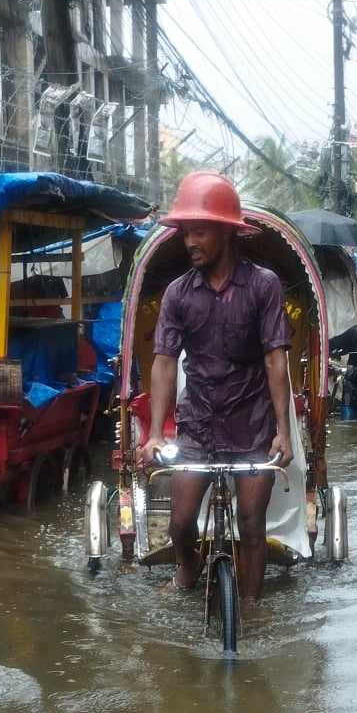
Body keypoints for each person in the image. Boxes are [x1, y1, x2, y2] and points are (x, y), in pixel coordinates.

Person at [140, 171, 293, 604]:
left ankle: (251, 606)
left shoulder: (263, 284)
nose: (190, 242)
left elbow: (274, 359)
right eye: (186, 232)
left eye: (200, 232)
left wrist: (282, 430)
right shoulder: (177, 294)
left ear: (226, 232)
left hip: (253, 424)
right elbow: (165, 363)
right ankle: (189, 571)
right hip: (198, 426)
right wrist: (154, 434)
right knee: (181, 520)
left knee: (250, 524)